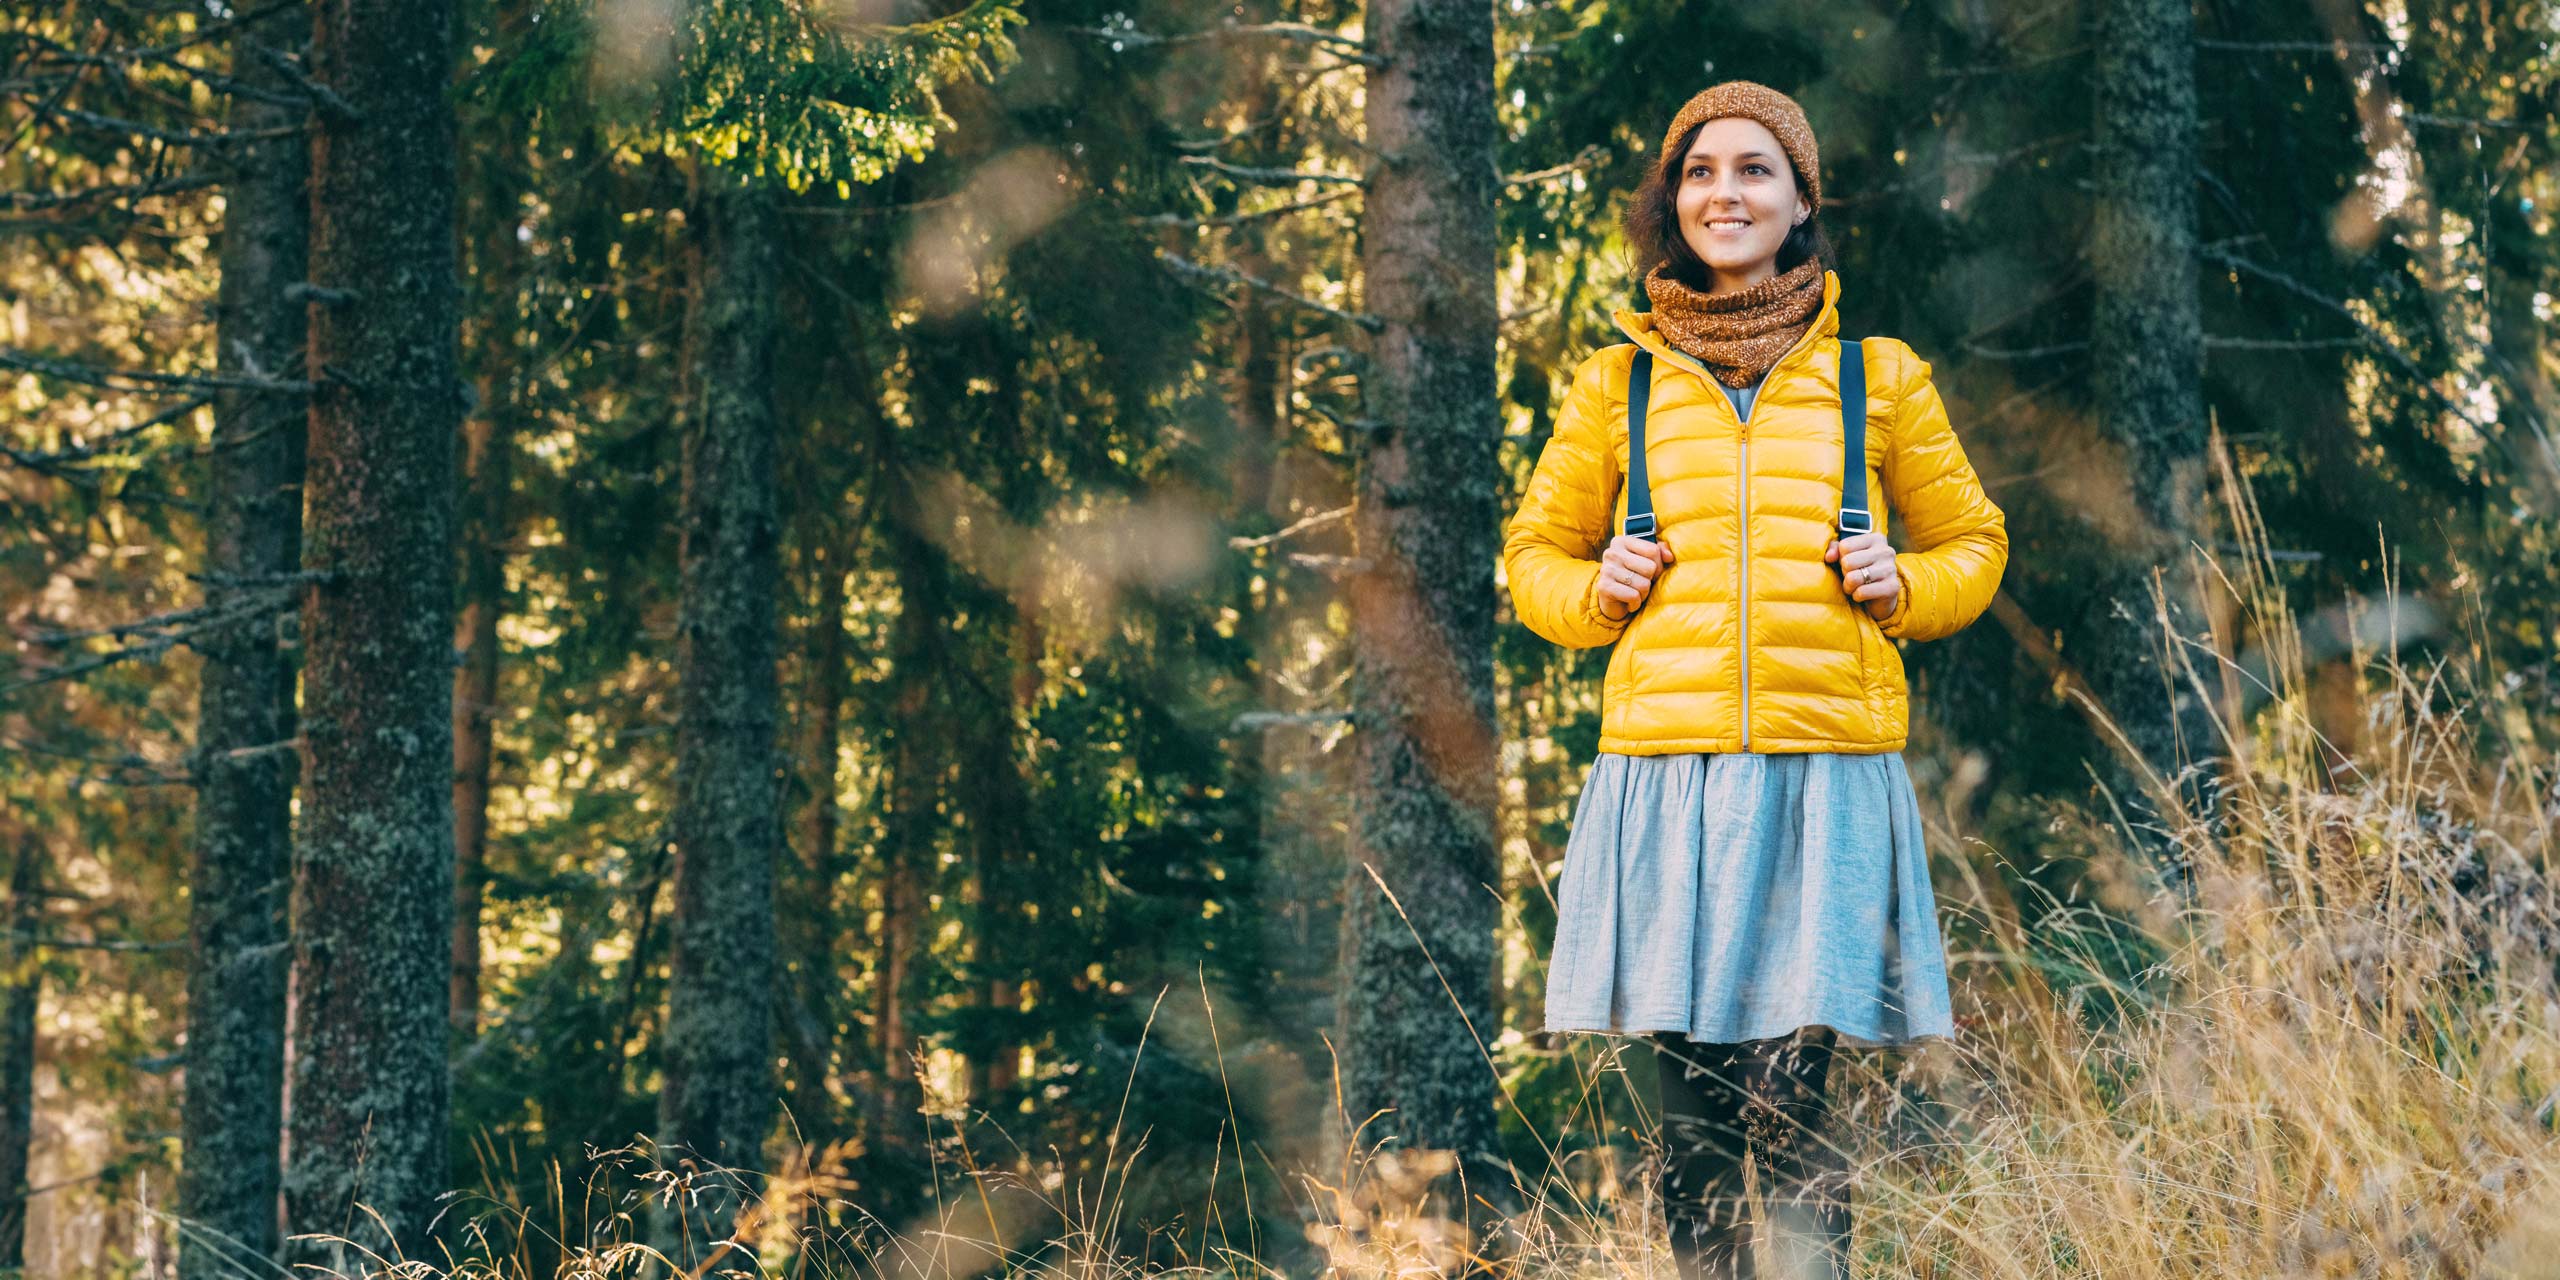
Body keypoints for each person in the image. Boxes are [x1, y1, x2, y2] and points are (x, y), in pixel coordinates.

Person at [1501, 81, 2010, 1278]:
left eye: (1752, 170)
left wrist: (1899, 582)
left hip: (1821, 784)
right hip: (1665, 789)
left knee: (1791, 1110)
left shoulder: (1875, 379)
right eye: (1697, 172)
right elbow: (1533, 564)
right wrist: (1600, 588)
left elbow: (1972, 547)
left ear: (1800, 202)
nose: (1722, 192)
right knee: (1689, 1124)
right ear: (1671, 206)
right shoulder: (1612, 384)